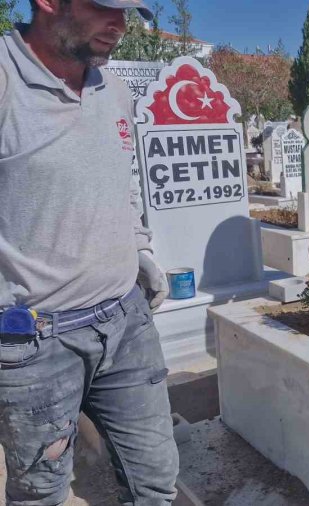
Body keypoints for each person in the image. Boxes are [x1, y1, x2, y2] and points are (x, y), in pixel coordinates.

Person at [0, 1, 178, 504]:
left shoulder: (113, 90)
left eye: (129, 11)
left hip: (125, 321)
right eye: (106, 7)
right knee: (42, 496)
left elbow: (125, 184)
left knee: (156, 482)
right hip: (37, 342)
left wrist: (139, 251)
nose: (121, 24)